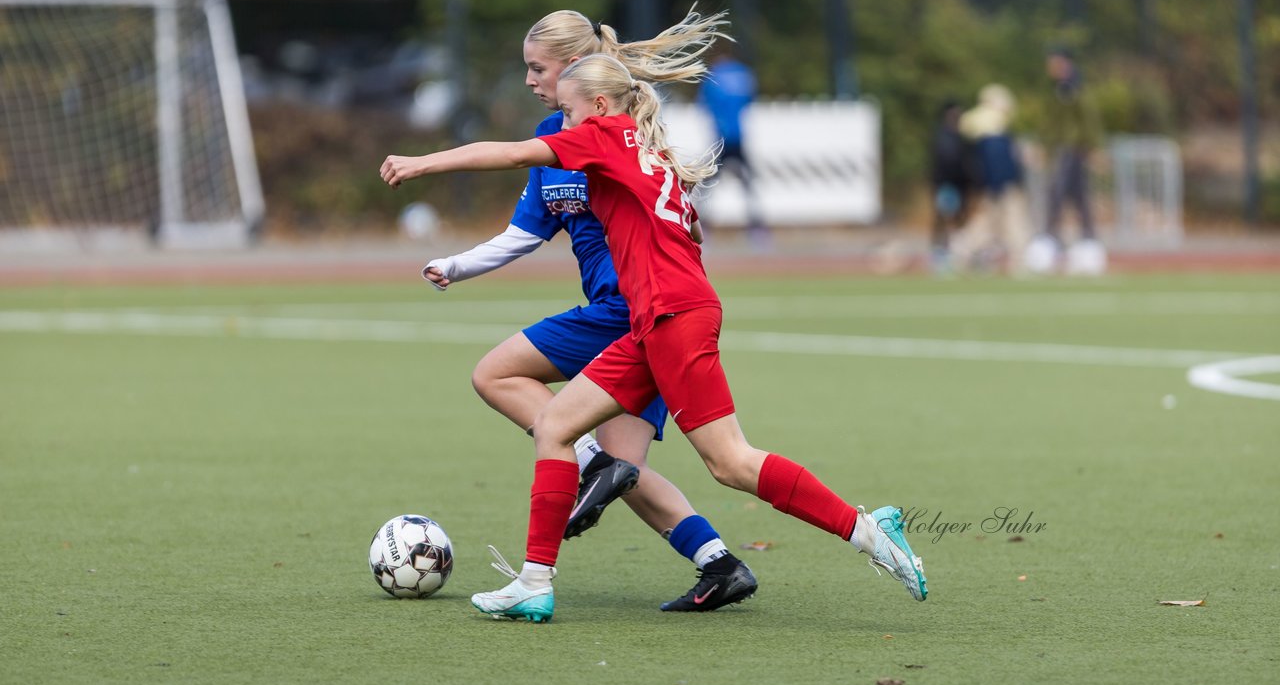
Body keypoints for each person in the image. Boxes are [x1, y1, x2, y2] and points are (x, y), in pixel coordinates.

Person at [380, 54, 928, 623]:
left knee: (731, 462)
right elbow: (685, 229)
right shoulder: (648, 148)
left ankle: (865, 528)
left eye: (567, 112)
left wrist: (422, 164)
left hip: (672, 317)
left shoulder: (603, 135)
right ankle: (534, 583)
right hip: (659, 318)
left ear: (597, 106)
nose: (561, 126)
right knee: (557, 424)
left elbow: (513, 153)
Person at [417, 9, 758, 612]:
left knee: (495, 375)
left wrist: (424, 164)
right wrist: (458, 264)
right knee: (623, 469)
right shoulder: (563, 135)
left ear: (576, 71)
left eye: (537, 68)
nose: (528, 79)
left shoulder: (609, 134)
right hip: (640, 319)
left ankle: (579, 480)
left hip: (633, 311)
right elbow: (524, 233)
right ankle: (720, 564)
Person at [1027, 48, 1106, 275]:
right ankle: (1057, 242)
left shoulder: (1074, 88)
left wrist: (1093, 147)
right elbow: (1049, 123)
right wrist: (1042, 145)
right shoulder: (1056, 89)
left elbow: (1087, 119)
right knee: (1063, 197)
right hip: (1061, 149)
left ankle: (1082, 242)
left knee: (1067, 196)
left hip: (1071, 150)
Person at [953, 84, 1033, 273]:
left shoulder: (980, 125)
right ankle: (1018, 261)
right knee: (1011, 225)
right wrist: (999, 187)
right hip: (1001, 187)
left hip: (994, 186)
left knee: (988, 225)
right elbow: (998, 163)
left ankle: (962, 251)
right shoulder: (993, 127)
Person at [698, 46, 767, 244]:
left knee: (708, 186)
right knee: (748, 185)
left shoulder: (713, 76)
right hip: (739, 136)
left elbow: (704, 105)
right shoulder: (744, 74)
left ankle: (702, 227)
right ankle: (757, 228)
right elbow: (749, 100)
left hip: (721, 138)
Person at [927, 100, 975, 273]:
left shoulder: (958, 137)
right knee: (946, 220)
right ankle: (940, 258)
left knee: (956, 222)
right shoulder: (944, 137)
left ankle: (954, 257)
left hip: (958, 185)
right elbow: (946, 164)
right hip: (948, 185)